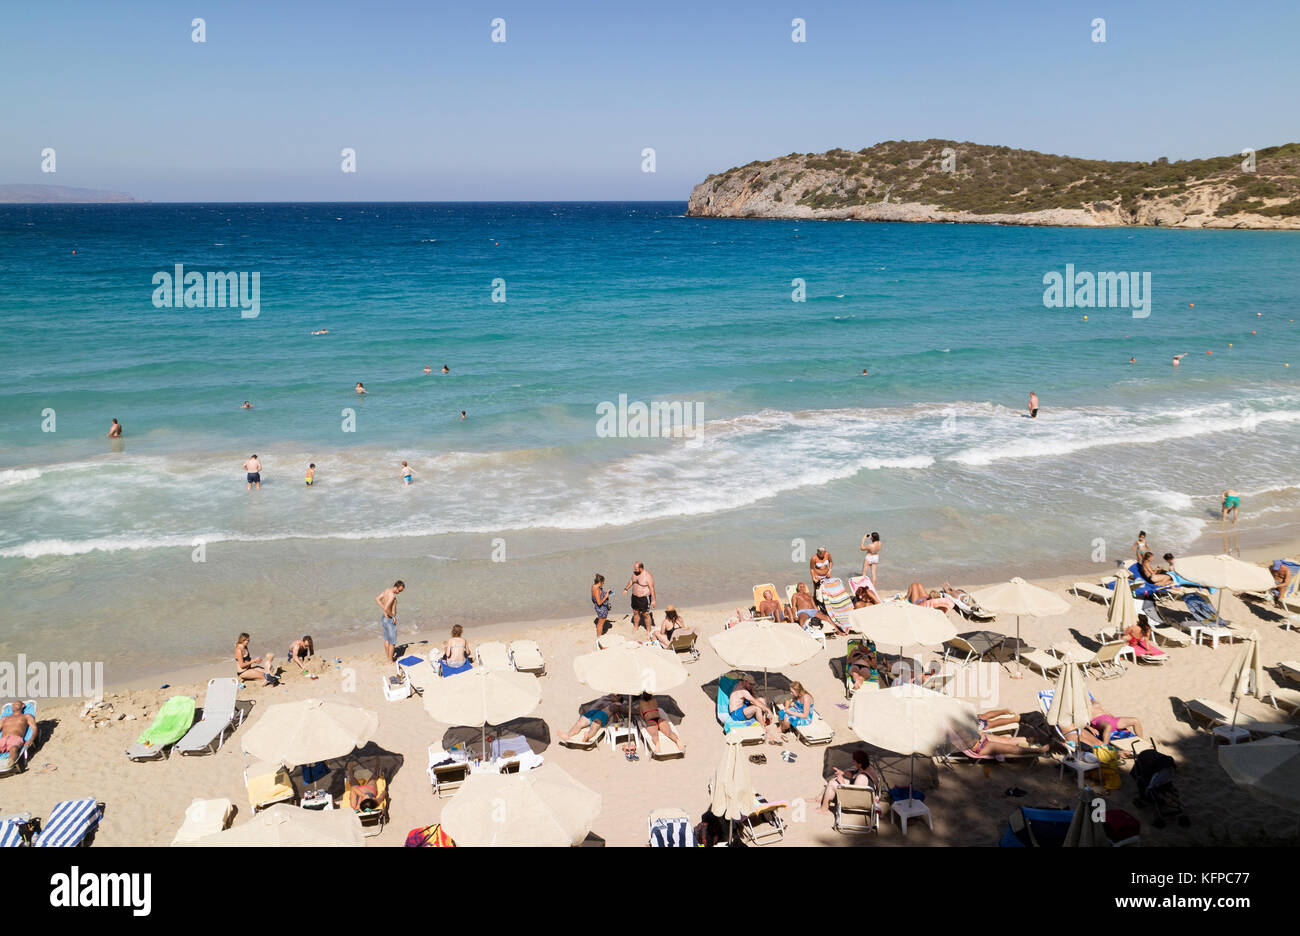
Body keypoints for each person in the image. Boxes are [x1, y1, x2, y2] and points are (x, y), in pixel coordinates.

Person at [815, 749, 882, 813]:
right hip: (863, 794)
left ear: (860, 763)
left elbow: (853, 795)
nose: (853, 762)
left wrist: (842, 783)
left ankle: (824, 809)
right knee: (834, 780)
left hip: (859, 801)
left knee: (832, 784)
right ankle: (819, 799)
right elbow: (853, 775)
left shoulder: (861, 778)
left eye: (854, 761)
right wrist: (842, 773)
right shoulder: (867, 768)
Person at [558, 699, 626, 744]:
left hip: (603, 714)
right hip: (592, 713)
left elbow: (625, 710)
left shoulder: (616, 704)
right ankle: (568, 735)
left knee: (595, 725)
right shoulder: (607, 697)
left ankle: (587, 737)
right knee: (579, 723)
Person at [0, 700, 36, 767]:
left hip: (15, 738)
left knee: (13, 749)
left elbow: (34, 729)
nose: (13, 705)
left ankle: (9, 764)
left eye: (16, 704)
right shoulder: (4, 718)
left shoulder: (27, 716)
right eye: (13, 705)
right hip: (2, 739)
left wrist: (31, 740)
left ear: (23, 705)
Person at [375, 580, 405, 664]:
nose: (399, 592)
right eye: (399, 590)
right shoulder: (392, 596)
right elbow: (386, 609)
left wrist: (384, 607)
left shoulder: (386, 591)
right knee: (393, 641)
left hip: (384, 618)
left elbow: (377, 599)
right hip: (389, 619)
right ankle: (390, 660)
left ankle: (388, 657)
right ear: (395, 587)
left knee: (387, 639)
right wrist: (393, 616)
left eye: (401, 591)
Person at [623, 561, 656, 633]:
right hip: (635, 597)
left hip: (644, 598)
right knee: (635, 612)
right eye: (634, 569)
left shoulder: (647, 576)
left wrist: (653, 600)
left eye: (636, 569)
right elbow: (631, 581)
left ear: (641, 568)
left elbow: (652, 588)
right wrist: (626, 589)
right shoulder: (635, 573)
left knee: (645, 614)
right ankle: (636, 627)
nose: (634, 570)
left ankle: (648, 630)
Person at [590, 573, 612, 639]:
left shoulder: (593, 586)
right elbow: (599, 602)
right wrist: (606, 596)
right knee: (600, 624)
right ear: (600, 582)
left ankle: (599, 636)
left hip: (598, 607)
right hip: (601, 608)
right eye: (603, 582)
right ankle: (599, 637)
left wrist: (605, 593)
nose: (604, 583)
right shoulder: (597, 590)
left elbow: (595, 598)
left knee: (600, 622)